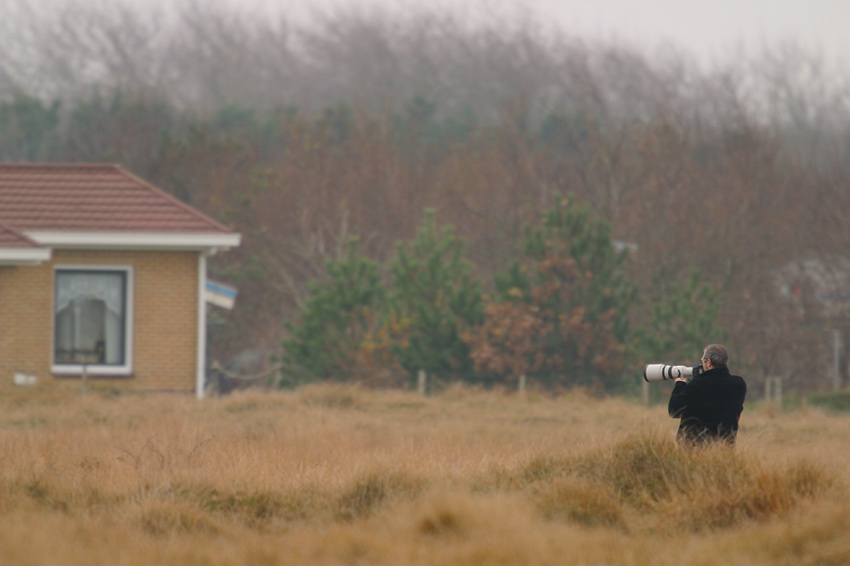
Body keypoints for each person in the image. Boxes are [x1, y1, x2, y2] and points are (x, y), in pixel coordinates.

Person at [668, 344, 747, 445]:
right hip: (725, 448)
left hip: (694, 449)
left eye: (703, 361)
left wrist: (680, 384)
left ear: (709, 362)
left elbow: (674, 410)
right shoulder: (739, 384)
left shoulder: (698, 385)